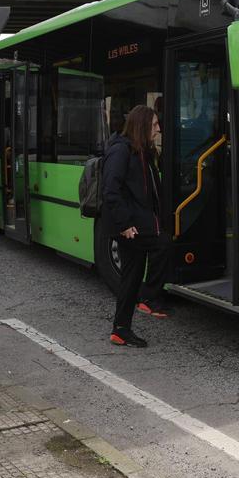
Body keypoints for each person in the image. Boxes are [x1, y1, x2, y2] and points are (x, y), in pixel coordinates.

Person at [99, 104, 171, 348]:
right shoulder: (121, 152)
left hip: (139, 223)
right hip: (131, 226)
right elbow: (110, 191)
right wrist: (125, 224)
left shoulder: (142, 151)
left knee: (130, 278)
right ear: (141, 126)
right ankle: (149, 297)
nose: (158, 129)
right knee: (163, 244)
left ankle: (120, 330)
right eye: (153, 125)